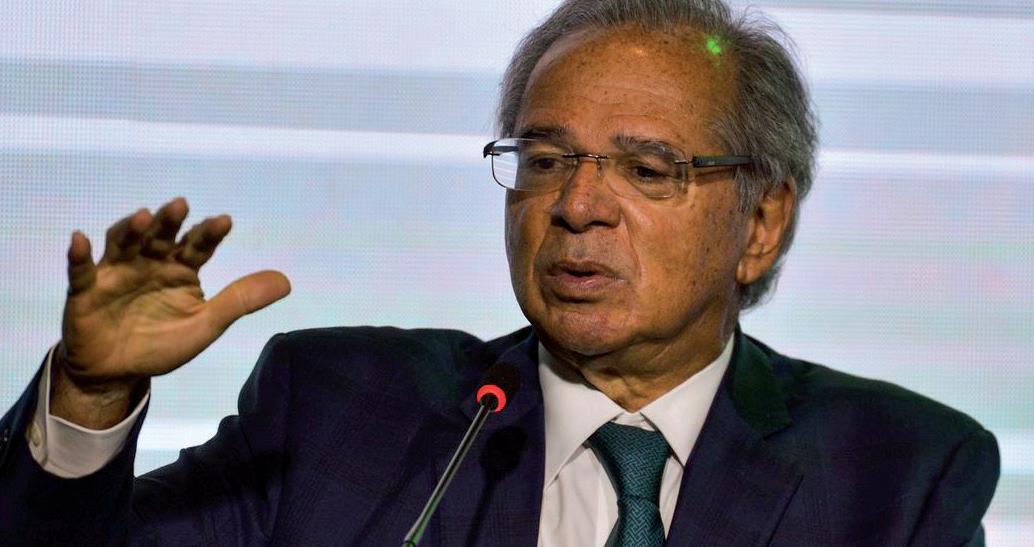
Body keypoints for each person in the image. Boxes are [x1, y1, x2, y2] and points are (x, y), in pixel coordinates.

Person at [0, 0, 999, 545]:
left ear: (761, 221)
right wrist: (90, 396)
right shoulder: (339, 409)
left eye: (646, 169)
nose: (576, 204)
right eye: (545, 159)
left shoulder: (897, 470)